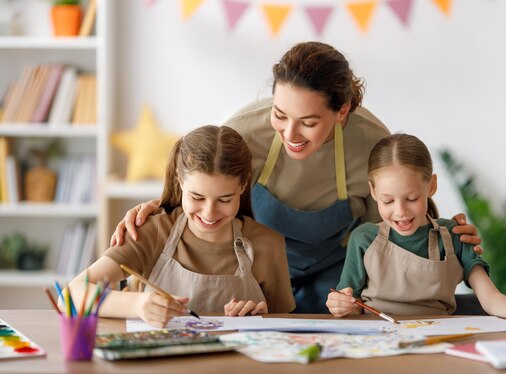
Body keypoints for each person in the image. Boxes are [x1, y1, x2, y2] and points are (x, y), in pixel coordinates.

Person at [110, 42, 483, 313]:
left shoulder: (371, 141)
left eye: (308, 122)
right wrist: (160, 208)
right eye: (279, 114)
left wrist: (446, 234)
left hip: (336, 275)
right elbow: (203, 186)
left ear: (343, 111)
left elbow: (395, 221)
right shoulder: (242, 131)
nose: (290, 133)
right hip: (253, 270)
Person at [66, 125, 295, 328]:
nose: (209, 213)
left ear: (243, 185)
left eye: (225, 200)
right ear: (179, 179)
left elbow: (284, 326)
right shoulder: (151, 232)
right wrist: (137, 304)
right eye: (196, 197)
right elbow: (71, 295)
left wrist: (261, 318)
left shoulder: (268, 244)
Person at [326, 134, 506, 325]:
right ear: (373, 191)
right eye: (388, 201)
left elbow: (490, 297)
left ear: (431, 186)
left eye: (411, 199)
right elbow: (352, 307)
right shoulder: (363, 238)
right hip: (378, 339)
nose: (400, 211)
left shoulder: (455, 236)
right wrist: (341, 306)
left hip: (436, 338)